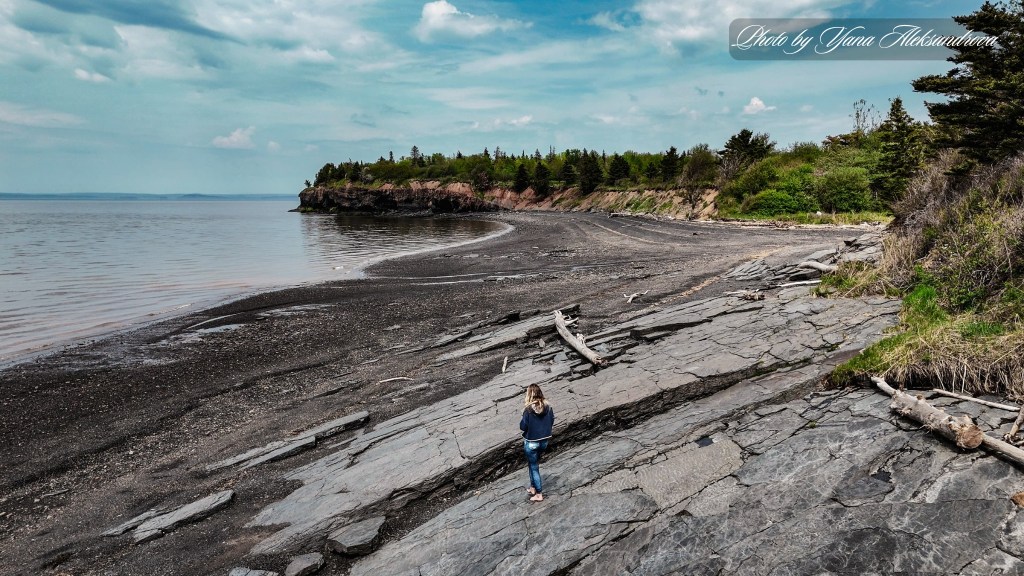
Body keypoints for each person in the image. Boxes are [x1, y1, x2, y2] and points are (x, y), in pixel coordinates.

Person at [519, 383, 554, 502]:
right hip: (544, 441)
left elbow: (523, 427)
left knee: (534, 466)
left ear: (529, 395)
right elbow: (552, 420)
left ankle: (539, 494)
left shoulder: (528, 410)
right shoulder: (548, 407)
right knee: (532, 463)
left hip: (532, 443)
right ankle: (533, 487)